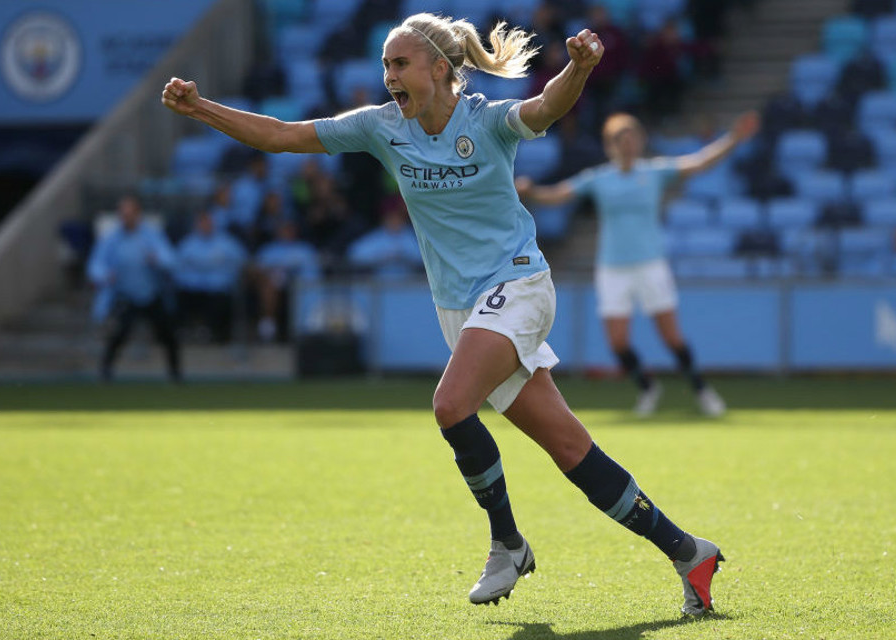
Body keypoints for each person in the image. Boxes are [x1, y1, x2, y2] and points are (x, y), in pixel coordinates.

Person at [163, 12, 725, 616]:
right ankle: (688, 551)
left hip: (519, 283)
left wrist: (579, 67)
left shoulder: (485, 120)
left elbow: (543, 108)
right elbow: (280, 135)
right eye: (384, 64)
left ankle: (508, 543)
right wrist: (204, 110)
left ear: (438, 68)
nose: (389, 76)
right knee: (571, 450)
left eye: (399, 63)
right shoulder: (382, 127)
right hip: (461, 309)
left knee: (449, 405)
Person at [517, 110, 759, 417]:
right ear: (610, 145)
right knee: (617, 342)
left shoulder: (655, 172)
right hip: (613, 268)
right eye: (620, 139)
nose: (627, 145)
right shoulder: (600, 178)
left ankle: (701, 390)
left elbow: (698, 162)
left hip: (651, 265)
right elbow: (561, 194)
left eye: (632, 138)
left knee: (671, 337)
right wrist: (532, 191)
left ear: (641, 142)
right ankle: (648, 387)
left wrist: (734, 138)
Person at [87, 195, 181, 382]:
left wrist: (157, 259)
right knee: (119, 334)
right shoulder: (111, 239)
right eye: (123, 213)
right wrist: (105, 275)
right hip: (125, 295)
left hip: (151, 293)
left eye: (130, 213)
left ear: (138, 214)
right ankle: (105, 371)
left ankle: (175, 373)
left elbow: (170, 259)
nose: (126, 217)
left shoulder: (151, 236)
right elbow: (95, 265)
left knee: (167, 333)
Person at [173, 209, 249, 344]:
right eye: (202, 222)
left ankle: (214, 332)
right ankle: (184, 330)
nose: (205, 225)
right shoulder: (188, 243)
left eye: (208, 222)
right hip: (193, 288)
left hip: (218, 289)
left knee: (220, 300)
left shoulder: (227, 242)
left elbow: (242, 260)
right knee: (179, 295)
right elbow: (177, 265)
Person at [251, 219, 321, 342]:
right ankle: (268, 326)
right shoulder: (268, 250)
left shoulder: (306, 249)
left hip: (301, 285)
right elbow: (256, 270)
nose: (288, 232)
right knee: (269, 285)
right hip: (275, 283)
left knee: (310, 291)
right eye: (284, 229)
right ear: (278, 232)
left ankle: (306, 332)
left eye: (290, 229)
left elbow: (314, 274)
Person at [345, 196, 424, 280]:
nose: (395, 220)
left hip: (410, 286)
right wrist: (382, 255)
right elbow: (354, 254)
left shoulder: (410, 235)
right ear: (385, 217)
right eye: (391, 216)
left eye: (398, 216)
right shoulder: (377, 236)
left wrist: (403, 255)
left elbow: (425, 256)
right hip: (380, 286)